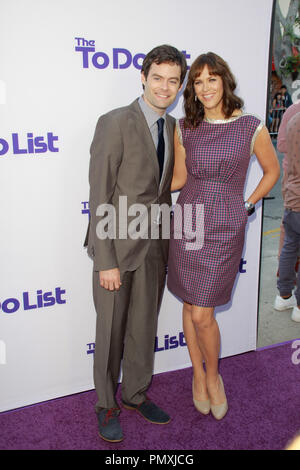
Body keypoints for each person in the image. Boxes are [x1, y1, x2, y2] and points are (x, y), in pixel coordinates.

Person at [167, 52, 280, 420]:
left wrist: (245, 206)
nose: (205, 87)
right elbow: (180, 179)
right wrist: (140, 185)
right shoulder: (185, 127)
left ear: (224, 81)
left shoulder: (251, 126)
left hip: (225, 226)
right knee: (188, 304)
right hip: (187, 221)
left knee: (203, 314)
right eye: (197, 81)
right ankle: (198, 376)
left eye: (211, 79)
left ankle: (214, 377)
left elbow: (271, 172)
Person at [85, 44, 187, 442]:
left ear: (179, 86)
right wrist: (105, 259)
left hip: (153, 249)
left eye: (173, 80)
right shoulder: (114, 122)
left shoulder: (173, 127)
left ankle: (135, 394)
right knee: (111, 333)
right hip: (116, 250)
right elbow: (99, 197)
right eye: (157, 78)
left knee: (143, 328)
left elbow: (162, 192)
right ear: (143, 77)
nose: (165, 87)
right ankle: (106, 404)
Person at [274, 112, 300, 323]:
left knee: (290, 248)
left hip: (292, 195)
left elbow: (283, 148)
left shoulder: (293, 118)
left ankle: (284, 296)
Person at [276, 100, 300, 265]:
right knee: (289, 226)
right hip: (293, 177)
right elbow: (281, 144)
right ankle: (284, 278)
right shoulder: (293, 110)